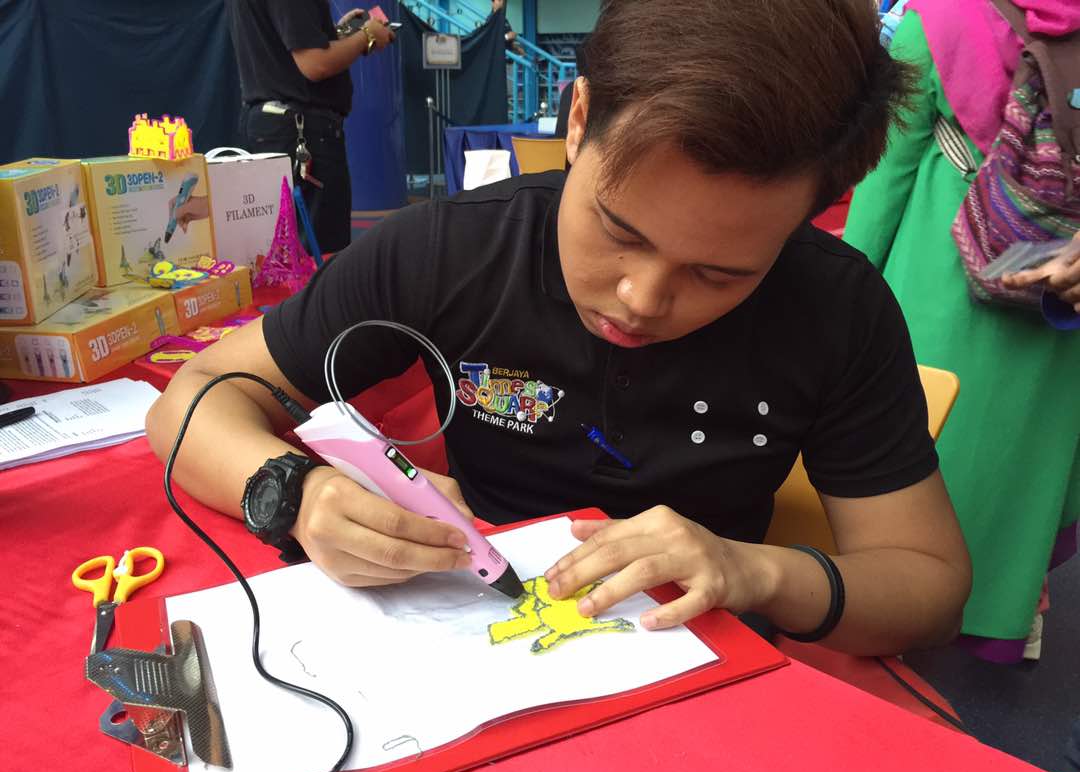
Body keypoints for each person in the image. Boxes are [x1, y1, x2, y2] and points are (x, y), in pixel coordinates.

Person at [147, 0, 971, 657]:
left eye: (720, 274)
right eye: (619, 230)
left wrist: (752, 570)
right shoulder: (448, 252)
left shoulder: (834, 306)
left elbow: (930, 588)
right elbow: (193, 397)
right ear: (578, 119)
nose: (641, 300)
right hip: (465, 639)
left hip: (701, 671)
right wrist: (295, 493)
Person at [842, 0, 1080, 663]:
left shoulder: (940, 20)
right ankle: (1012, 607)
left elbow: (885, 175)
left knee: (920, 447)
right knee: (1023, 458)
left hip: (942, 271)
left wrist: (843, 291)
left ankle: (897, 610)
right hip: (1060, 284)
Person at [224, 0, 395, 253]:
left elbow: (282, 50)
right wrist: (366, 35)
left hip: (275, 128)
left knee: (284, 254)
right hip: (303, 133)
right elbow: (316, 63)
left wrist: (336, 35)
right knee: (320, 256)